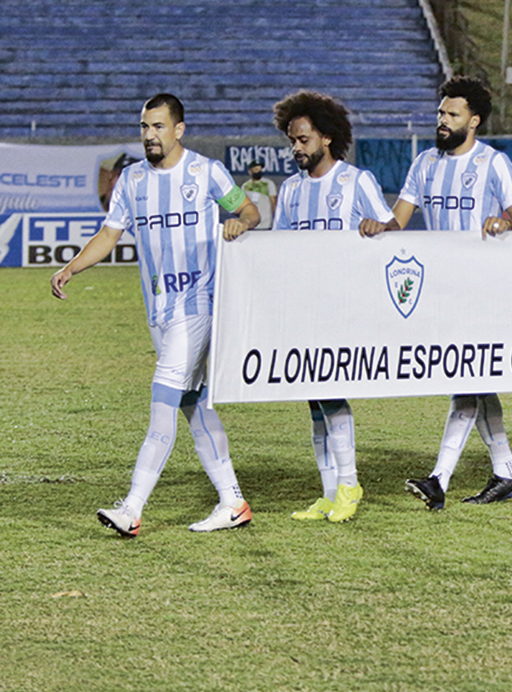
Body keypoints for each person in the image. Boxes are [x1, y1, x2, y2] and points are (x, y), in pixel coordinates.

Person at [50, 93, 258, 536]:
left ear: (178, 129)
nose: (149, 135)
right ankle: (233, 502)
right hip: (159, 310)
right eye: (145, 127)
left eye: (158, 127)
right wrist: (71, 267)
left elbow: (249, 208)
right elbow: (109, 234)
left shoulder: (206, 173)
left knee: (161, 401)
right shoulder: (131, 180)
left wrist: (240, 220)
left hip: (198, 305)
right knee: (193, 404)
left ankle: (132, 507)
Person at [374, 76, 512, 510]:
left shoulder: (494, 163)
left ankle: (438, 478)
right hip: (440, 290)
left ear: (475, 120)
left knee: (466, 381)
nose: (442, 121)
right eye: (441, 113)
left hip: (484, 290)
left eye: (452, 114)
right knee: (474, 383)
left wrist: (504, 223)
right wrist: (379, 227)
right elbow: (399, 221)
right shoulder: (425, 162)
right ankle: (507, 473)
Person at [271, 90, 395, 522]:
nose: (296, 149)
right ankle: (328, 492)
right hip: (302, 306)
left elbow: (392, 226)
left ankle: (349, 483)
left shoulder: (355, 181)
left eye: (303, 140)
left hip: (342, 305)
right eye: (291, 141)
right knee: (313, 399)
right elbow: (278, 247)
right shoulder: (288, 191)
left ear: (326, 138)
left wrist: (378, 226)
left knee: (330, 390)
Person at [242, 161, 277, 230]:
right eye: (256, 169)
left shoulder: (269, 184)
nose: (259, 171)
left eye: (260, 169)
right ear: (250, 171)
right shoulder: (245, 186)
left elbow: (273, 202)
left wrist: (275, 219)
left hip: (266, 222)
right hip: (251, 223)